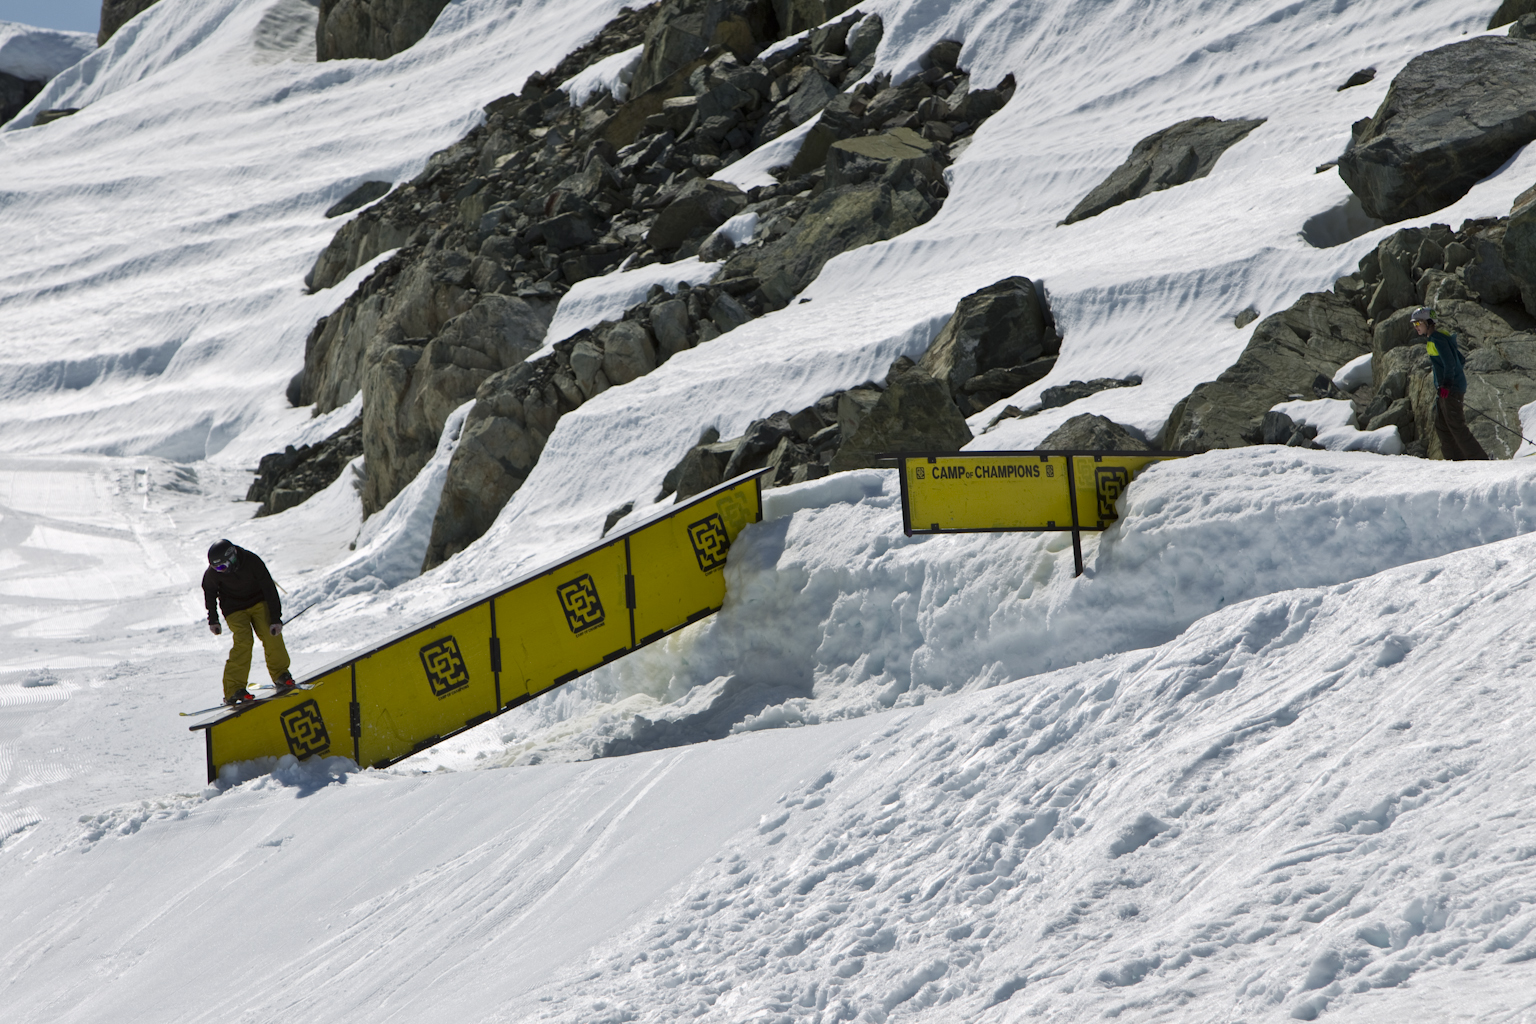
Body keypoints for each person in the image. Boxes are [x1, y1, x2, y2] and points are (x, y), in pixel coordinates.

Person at [202, 539, 295, 705]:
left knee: (270, 634)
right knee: (243, 642)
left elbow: (269, 587)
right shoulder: (214, 573)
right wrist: (213, 619)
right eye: (217, 568)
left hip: (259, 601)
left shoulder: (252, 561)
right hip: (234, 609)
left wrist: (275, 619)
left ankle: (281, 674)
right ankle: (233, 689)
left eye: (222, 567)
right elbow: (209, 592)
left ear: (232, 558)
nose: (220, 571)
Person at [1413, 307, 1488, 461]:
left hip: (1450, 389)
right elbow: (1460, 359)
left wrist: (1447, 383)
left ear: (1428, 322)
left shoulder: (1437, 339)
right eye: (1414, 324)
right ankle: (1455, 462)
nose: (1416, 327)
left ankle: (1481, 461)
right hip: (1445, 389)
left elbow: (1450, 362)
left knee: (1456, 426)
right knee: (1442, 426)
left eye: (1418, 323)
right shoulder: (1439, 338)